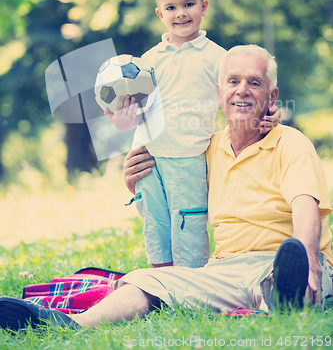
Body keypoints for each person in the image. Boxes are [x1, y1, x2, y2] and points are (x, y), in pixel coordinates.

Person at [1, 44, 332, 331]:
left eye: (254, 83)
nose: (242, 90)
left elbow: (306, 205)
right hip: (225, 268)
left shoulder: (290, 143)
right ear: (219, 93)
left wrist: (307, 258)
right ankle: (67, 324)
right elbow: (174, 191)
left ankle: (287, 294)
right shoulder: (203, 148)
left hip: (287, 259)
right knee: (144, 279)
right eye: (233, 81)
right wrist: (136, 184)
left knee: (292, 279)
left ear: (271, 96)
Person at [105, 0, 279, 269]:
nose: (180, 13)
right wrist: (121, 119)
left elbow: (245, 91)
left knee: (188, 223)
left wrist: (269, 114)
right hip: (147, 156)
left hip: (189, 156)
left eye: (188, 4)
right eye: (171, 8)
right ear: (160, 13)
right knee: (155, 222)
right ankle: (161, 279)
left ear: (204, 7)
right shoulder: (146, 61)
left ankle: (190, 281)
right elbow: (132, 117)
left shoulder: (219, 58)